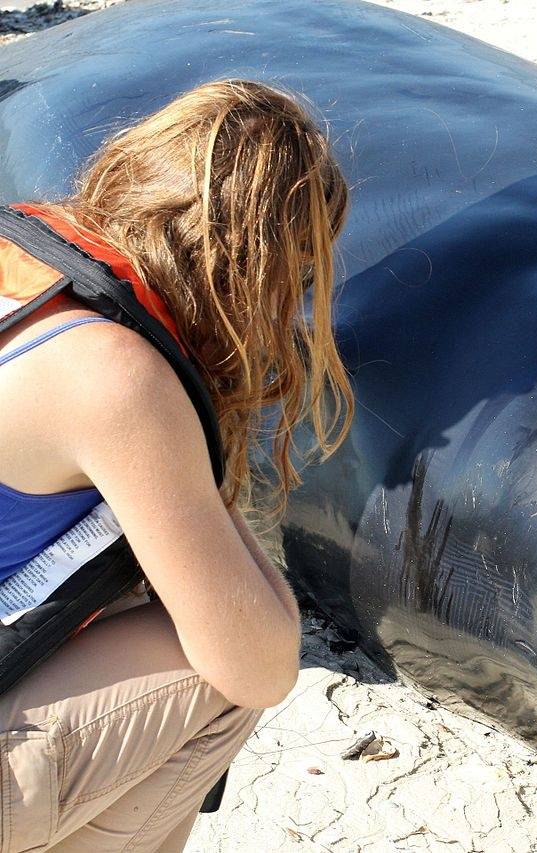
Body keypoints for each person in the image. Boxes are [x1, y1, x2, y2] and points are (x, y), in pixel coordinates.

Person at [0, 79, 352, 852]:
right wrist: (195, 466)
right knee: (218, 677)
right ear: (253, 269)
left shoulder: (26, 259)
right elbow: (257, 665)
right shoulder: (113, 373)